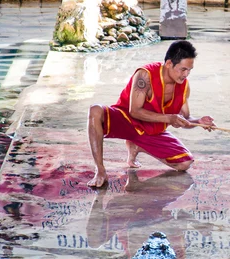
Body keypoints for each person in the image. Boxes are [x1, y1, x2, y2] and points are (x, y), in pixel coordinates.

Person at [87, 40, 214, 187]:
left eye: (189, 70)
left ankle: (137, 146)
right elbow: (134, 110)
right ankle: (100, 170)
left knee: (184, 163)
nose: (186, 74)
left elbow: (185, 119)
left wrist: (198, 122)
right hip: (126, 120)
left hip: (152, 131)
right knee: (95, 110)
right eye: (183, 69)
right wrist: (169, 118)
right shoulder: (145, 75)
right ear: (168, 64)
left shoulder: (184, 86)